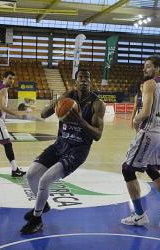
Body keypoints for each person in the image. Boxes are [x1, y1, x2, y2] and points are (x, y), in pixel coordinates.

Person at [20, 69, 106, 234]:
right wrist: (57, 104)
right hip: (60, 144)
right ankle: (43, 205)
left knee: (45, 181)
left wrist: (80, 120)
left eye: (86, 78)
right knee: (31, 174)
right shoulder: (67, 96)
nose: (83, 80)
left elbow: (98, 135)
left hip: (78, 150)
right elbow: (44, 114)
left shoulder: (97, 104)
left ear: (91, 82)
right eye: (80, 77)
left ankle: (37, 219)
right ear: (75, 81)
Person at [121, 55, 160, 226]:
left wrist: (135, 120)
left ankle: (139, 215)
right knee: (151, 168)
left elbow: (145, 112)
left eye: (148, 66)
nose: (144, 69)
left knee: (127, 170)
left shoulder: (149, 84)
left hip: (149, 132)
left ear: (158, 69)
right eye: (145, 66)